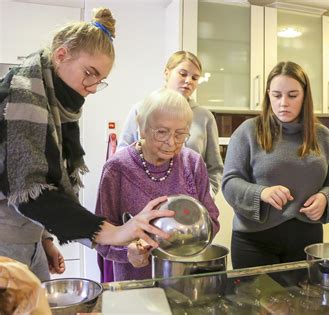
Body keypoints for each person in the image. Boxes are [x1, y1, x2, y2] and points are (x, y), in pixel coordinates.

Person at [0, 7, 171, 281]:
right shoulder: (19, 99)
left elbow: (43, 180)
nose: (92, 87)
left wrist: (43, 240)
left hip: (29, 243)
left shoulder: (54, 102)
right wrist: (114, 232)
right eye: (89, 73)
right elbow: (30, 192)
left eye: (100, 80)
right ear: (61, 55)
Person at [222, 61, 329, 269]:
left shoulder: (323, 136)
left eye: (292, 95)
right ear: (268, 94)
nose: (283, 103)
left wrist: (326, 197)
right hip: (254, 240)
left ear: (305, 96)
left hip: (308, 239)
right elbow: (229, 183)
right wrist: (261, 193)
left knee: (304, 301)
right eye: (277, 95)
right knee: (255, 301)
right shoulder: (248, 132)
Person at [95, 88, 220, 281]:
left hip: (183, 277)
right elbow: (100, 234)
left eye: (180, 134)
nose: (171, 142)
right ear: (142, 127)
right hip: (136, 278)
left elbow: (211, 218)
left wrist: (190, 240)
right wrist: (128, 251)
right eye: (162, 132)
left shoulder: (192, 162)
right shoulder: (117, 169)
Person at [118, 51, 223, 196]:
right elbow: (122, 155)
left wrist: (207, 194)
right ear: (167, 72)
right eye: (183, 73)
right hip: (144, 198)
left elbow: (215, 167)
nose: (188, 81)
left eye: (195, 77)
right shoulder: (141, 109)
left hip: (189, 206)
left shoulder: (205, 117)